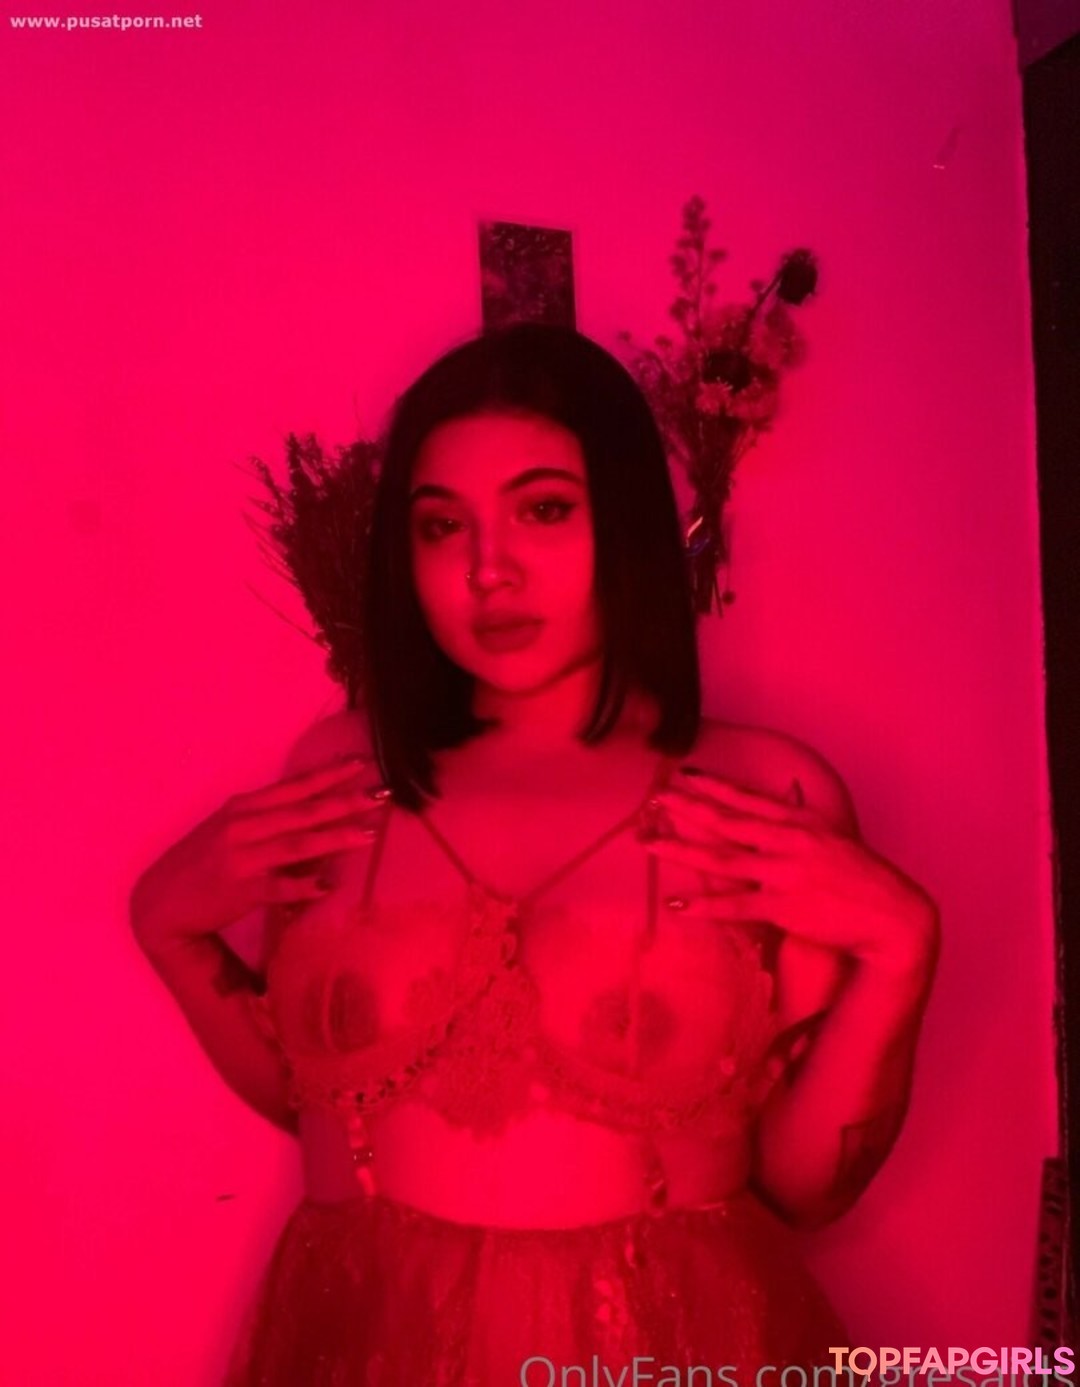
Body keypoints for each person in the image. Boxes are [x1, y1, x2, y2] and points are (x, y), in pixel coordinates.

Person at [129, 323, 941, 1386]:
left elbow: (807, 1188)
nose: (489, 569)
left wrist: (902, 949)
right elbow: (316, 1105)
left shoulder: (758, 790)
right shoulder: (341, 773)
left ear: (627, 522)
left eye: (545, 509)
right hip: (363, 1339)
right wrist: (168, 927)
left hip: (663, 1345)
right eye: (440, 525)